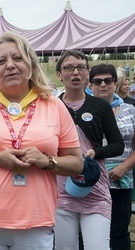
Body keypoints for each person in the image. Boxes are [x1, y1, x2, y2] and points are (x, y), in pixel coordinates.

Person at [0, 32, 83, 250]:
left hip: (35, 220)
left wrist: (47, 161)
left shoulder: (54, 106)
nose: (10, 65)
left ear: (31, 64)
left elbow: (76, 163)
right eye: (1, 61)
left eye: (17, 58)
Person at [54, 50, 124, 250]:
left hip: (95, 188)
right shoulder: (51, 105)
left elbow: (117, 144)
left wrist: (96, 152)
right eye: (68, 68)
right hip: (61, 190)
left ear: (87, 73)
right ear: (59, 74)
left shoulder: (100, 106)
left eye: (81, 67)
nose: (75, 73)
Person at [90, 64, 135, 250]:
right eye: (97, 81)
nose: (103, 85)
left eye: (108, 80)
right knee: (91, 230)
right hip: (92, 180)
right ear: (90, 84)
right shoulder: (84, 110)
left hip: (121, 178)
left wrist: (124, 167)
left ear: (115, 83)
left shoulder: (130, 111)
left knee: (118, 229)